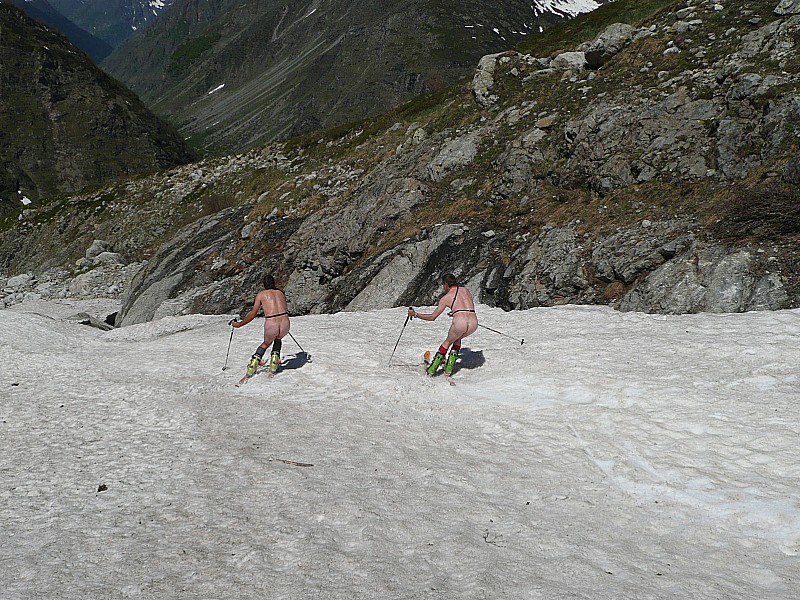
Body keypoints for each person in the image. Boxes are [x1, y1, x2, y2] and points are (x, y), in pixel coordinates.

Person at [408, 273, 478, 376]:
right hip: (473, 323)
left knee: (448, 342)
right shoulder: (465, 290)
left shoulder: (446, 298)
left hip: (460, 322)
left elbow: (433, 317)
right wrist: (455, 312)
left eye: (443, 284)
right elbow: (466, 306)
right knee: (457, 338)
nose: (443, 287)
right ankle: (449, 367)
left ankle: (432, 369)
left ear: (446, 283)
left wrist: (415, 314)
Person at [231, 274, 290, 377]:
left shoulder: (261, 294)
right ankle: (273, 364)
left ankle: (252, 368)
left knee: (266, 344)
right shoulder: (280, 293)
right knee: (278, 339)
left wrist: (239, 324)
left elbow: (253, 313)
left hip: (272, 322)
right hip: (285, 322)